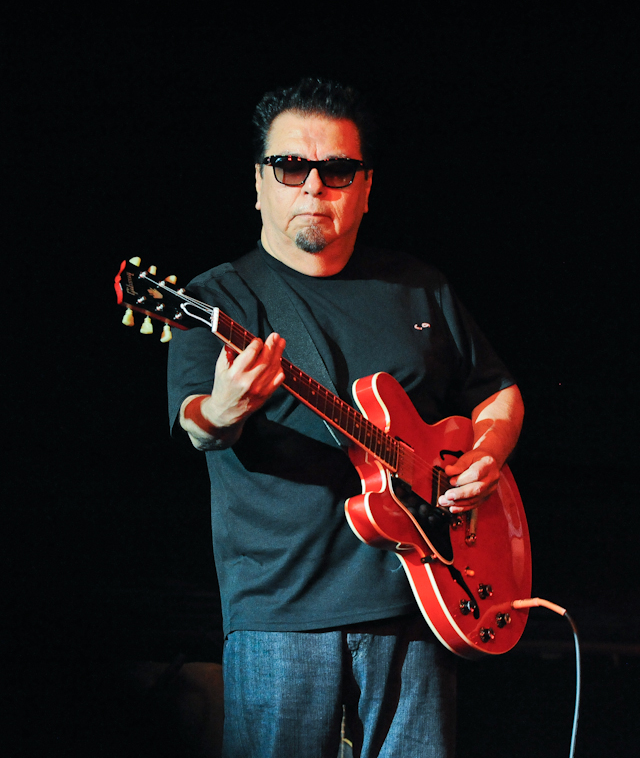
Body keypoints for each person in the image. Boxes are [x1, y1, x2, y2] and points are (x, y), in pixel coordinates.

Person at [167, 78, 524, 758]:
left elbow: (497, 390)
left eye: (336, 170)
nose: (312, 186)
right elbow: (195, 422)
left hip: (423, 598)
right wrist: (223, 410)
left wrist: (486, 454)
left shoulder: (419, 286)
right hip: (283, 612)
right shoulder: (215, 300)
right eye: (290, 166)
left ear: (365, 187)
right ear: (259, 182)